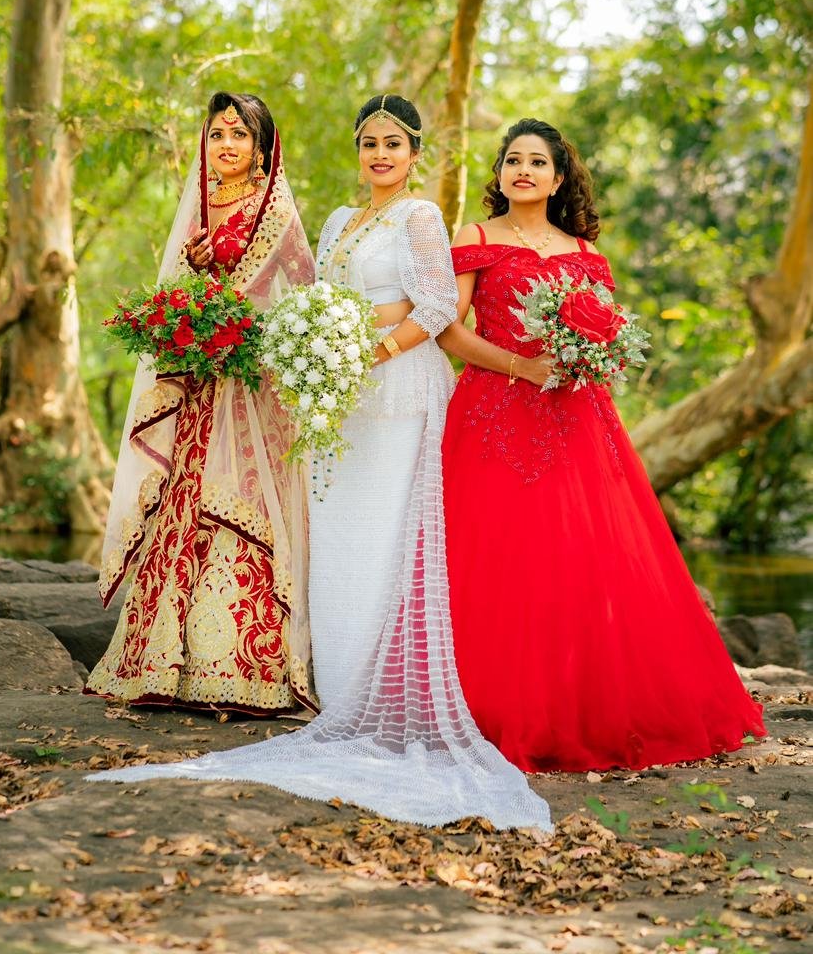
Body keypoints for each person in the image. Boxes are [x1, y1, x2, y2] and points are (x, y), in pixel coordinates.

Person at [87, 96, 551, 833]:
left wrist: (365, 346)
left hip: (398, 392)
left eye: (393, 144)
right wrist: (316, 339)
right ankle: (338, 691)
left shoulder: (421, 217)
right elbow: (312, 297)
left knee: (390, 539)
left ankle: (387, 695)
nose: (379, 155)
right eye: (369, 143)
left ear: (415, 153)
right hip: (340, 398)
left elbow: (436, 309)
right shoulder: (337, 221)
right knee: (335, 538)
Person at [439, 118, 766, 773]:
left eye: (537, 162)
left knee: (574, 560)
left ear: (559, 178)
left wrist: (585, 359)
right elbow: (449, 330)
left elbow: (603, 333)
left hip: (574, 418)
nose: (523, 170)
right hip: (492, 414)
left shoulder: (585, 253)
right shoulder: (474, 238)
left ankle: (576, 706)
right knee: (494, 557)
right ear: (500, 174)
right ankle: (484, 707)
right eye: (512, 160)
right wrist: (521, 365)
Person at [86, 92, 316, 715]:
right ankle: (159, 662)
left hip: (251, 385)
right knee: (183, 495)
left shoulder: (276, 210)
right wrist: (183, 322)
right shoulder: (201, 204)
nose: (227, 145)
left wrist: (252, 335)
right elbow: (185, 289)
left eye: (240, 134)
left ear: (262, 148)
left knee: (238, 492)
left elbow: (303, 291)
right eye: (217, 134)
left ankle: (243, 669)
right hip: (199, 383)